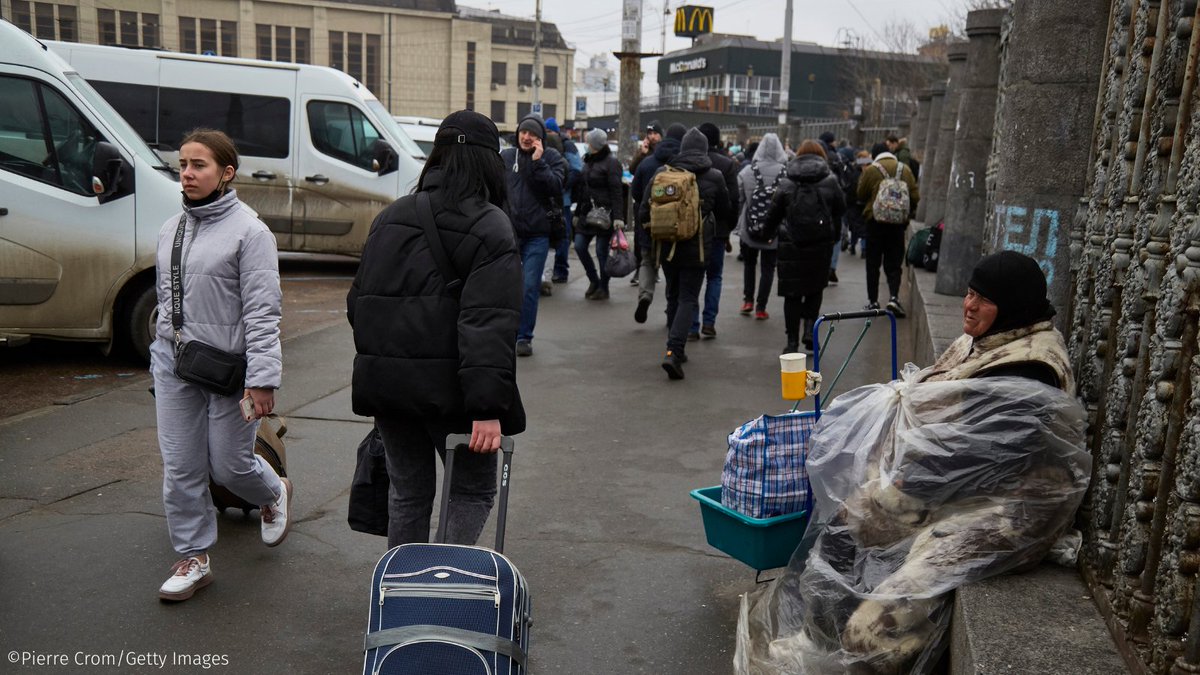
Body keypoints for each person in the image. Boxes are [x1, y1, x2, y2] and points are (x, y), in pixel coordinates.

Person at [347, 110, 526, 548]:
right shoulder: (490, 226)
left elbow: (357, 305)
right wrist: (488, 407)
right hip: (457, 396)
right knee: (473, 490)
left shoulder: (389, 218)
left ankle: (401, 597)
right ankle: (438, 585)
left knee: (408, 494)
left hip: (390, 391)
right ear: (489, 163)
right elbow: (488, 322)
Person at [151, 128, 287, 602]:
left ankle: (272, 493)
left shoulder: (252, 233)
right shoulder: (170, 229)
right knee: (181, 466)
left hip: (229, 369)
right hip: (174, 364)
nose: (186, 173)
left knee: (230, 467)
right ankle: (193, 557)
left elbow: (263, 311)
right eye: (183, 164)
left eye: (199, 165)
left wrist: (263, 379)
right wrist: (162, 352)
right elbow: (169, 303)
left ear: (226, 174)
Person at [639, 127, 733, 379]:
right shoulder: (714, 176)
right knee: (688, 298)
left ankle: (675, 347)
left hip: (667, 245)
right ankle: (674, 351)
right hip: (698, 247)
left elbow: (642, 213)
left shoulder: (662, 173)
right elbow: (726, 211)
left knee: (672, 294)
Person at [919, 250, 1071, 387]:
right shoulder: (990, 336)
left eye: (985, 300)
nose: (971, 306)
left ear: (1011, 310)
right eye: (971, 293)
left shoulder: (1026, 371)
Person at [763, 139, 845, 355]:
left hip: (791, 244)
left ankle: (791, 342)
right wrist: (834, 237)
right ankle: (810, 331)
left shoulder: (787, 181)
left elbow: (774, 212)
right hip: (820, 245)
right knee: (814, 289)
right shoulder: (830, 180)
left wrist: (767, 235)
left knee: (792, 295)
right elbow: (840, 209)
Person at [500, 114, 567, 357]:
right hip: (509, 233)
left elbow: (556, 187)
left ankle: (524, 337)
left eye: (533, 134)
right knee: (507, 288)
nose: (527, 137)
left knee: (529, 286)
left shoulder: (551, 158)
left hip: (538, 235)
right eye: (524, 132)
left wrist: (538, 162)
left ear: (541, 138)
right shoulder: (506, 158)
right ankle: (506, 333)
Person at [630, 122, 685, 323]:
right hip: (674, 227)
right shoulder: (683, 165)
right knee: (673, 268)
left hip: (649, 225)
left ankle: (645, 295)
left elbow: (635, 192)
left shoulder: (647, 164)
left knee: (647, 262)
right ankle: (671, 313)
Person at [856, 143, 919, 317]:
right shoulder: (904, 169)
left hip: (874, 223)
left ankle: (873, 301)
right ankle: (893, 297)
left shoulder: (871, 170)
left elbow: (860, 194)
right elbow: (915, 196)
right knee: (894, 263)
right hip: (897, 225)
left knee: (873, 263)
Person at [694, 122, 740, 340]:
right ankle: (709, 322)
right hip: (718, 231)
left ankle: (691, 325)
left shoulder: (687, 162)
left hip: (691, 230)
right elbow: (733, 199)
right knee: (714, 277)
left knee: (692, 278)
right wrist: (727, 228)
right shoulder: (726, 164)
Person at [735, 133, 787, 320]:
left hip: (750, 227)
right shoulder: (785, 173)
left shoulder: (748, 171)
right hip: (774, 229)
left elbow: (740, 200)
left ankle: (747, 300)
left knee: (749, 264)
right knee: (768, 267)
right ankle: (761, 307)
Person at [574, 128, 624, 300]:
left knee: (602, 251)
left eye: (589, 142)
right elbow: (582, 189)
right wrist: (578, 212)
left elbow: (617, 192)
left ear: (595, 144)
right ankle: (593, 279)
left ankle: (604, 287)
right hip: (587, 213)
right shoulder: (587, 161)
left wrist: (618, 217)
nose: (587, 144)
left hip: (605, 214)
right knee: (580, 246)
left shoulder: (611, 163)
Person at [543, 132, 581, 291]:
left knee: (558, 236)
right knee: (559, 236)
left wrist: (562, 188)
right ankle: (555, 271)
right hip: (561, 200)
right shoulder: (562, 156)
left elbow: (575, 172)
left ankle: (557, 270)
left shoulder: (560, 156)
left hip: (560, 201)